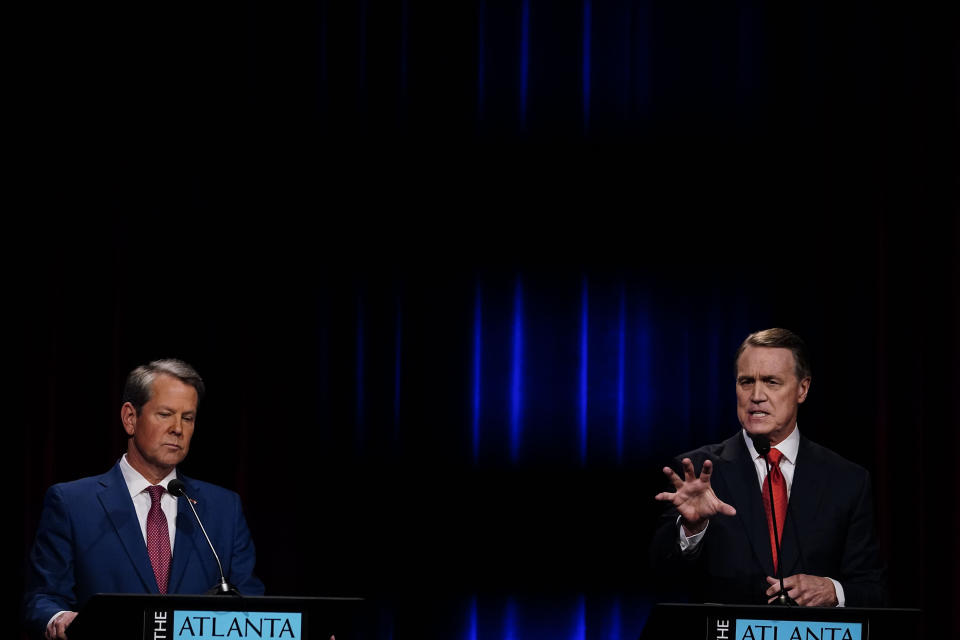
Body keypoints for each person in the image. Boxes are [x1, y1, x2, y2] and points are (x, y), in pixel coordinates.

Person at [23, 359, 265, 640]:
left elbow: (253, 609)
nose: (178, 428)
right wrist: (59, 618)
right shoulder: (72, 503)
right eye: (165, 414)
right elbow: (42, 598)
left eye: (188, 418)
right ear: (130, 418)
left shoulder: (224, 508)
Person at [650, 328, 886, 607]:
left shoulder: (847, 480)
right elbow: (659, 577)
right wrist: (692, 527)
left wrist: (833, 590)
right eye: (746, 382)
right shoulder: (698, 472)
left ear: (803, 389)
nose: (756, 395)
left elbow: (873, 590)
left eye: (772, 382)